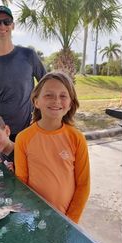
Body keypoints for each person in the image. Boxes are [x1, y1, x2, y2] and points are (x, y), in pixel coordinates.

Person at [14, 71, 90, 223]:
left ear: (70, 104)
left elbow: (83, 185)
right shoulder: (23, 138)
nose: (56, 100)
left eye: (63, 96)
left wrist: (70, 222)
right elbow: (21, 183)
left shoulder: (77, 139)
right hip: (34, 217)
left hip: (66, 220)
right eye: (49, 95)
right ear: (36, 101)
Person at [0, 5, 46, 142]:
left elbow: (47, 84)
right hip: (3, 136)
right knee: (6, 165)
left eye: (7, 21)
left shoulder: (28, 55)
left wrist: (40, 116)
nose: (2, 25)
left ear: (13, 25)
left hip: (29, 130)